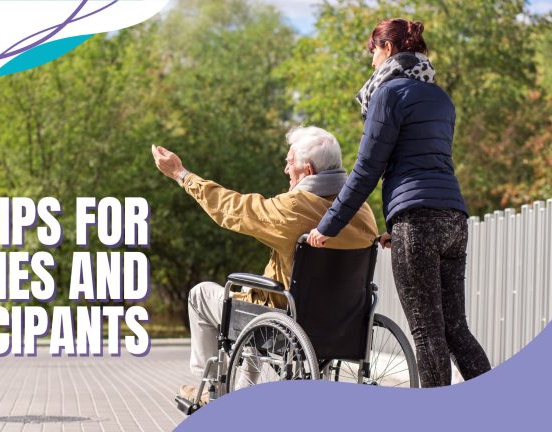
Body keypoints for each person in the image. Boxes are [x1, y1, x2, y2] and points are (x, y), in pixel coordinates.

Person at [306, 18, 492, 387]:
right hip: (454, 218)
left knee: (426, 332)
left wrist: (326, 226)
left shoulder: (388, 94)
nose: (371, 61)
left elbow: (366, 170)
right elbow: (425, 163)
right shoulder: (440, 97)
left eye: (373, 51)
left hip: (418, 223)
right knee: (456, 330)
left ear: (387, 49)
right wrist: (396, 226)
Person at [151, 126, 378, 404]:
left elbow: (232, 208)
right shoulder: (363, 211)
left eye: (289, 161)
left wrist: (181, 175)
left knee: (202, 295)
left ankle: (209, 390)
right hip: (345, 324)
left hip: (289, 323)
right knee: (260, 308)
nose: (285, 169)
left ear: (307, 170)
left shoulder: (292, 208)